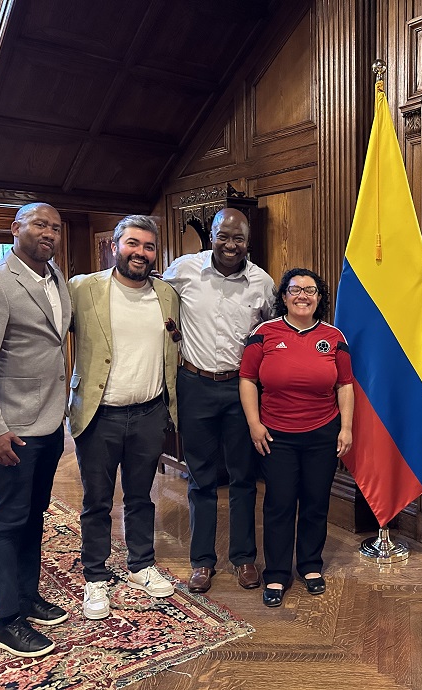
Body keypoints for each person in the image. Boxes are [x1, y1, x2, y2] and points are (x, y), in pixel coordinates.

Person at [0, 202, 72, 658]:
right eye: (40, 223)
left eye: (56, 227)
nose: (49, 232)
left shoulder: (56, 277)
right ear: (15, 229)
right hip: (12, 429)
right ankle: (6, 621)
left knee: (32, 516)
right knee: (6, 521)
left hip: (48, 422)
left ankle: (27, 597)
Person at [68, 215, 180, 620]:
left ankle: (140, 566)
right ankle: (95, 577)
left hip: (150, 414)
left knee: (140, 497)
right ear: (115, 246)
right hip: (100, 416)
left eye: (149, 246)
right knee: (96, 501)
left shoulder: (167, 295)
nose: (141, 253)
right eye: (133, 243)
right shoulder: (84, 288)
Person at [162, 208, 274, 593]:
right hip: (194, 384)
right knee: (200, 477)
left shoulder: (262, 282)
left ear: (248, 242)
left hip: (241, 387)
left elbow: (270, 332)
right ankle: (202, 561)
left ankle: (244, 558)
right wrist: (172, 336)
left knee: (244, 476)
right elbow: (157, 301)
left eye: (238, 238)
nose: (230, 245)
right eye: (223, 236)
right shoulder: (184, 269)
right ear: (211, 235)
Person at [239, 268, 354, 607]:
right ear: (284, 296)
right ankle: (276, 573)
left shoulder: (334, 337)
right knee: (279, 503)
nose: (302, 296)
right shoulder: (265, 333)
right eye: (295, 290)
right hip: (276, 435)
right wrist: (253, 424)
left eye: (310, 290)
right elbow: (247, 379)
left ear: (320, 298)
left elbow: (345, 384)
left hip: (323, 432)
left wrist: (346, 427)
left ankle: (310, 565)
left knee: (317, 501)